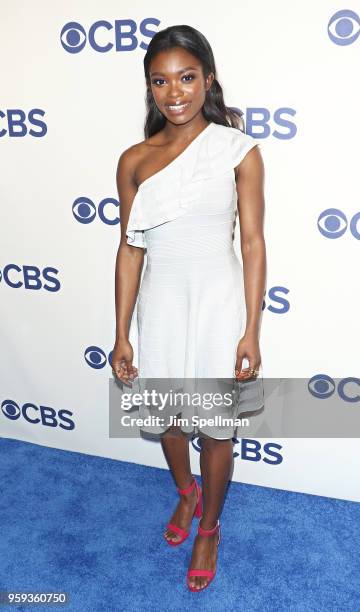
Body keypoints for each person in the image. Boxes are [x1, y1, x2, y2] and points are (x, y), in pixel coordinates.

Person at [112, 24, 266, 592]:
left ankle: (210, 526)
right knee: (170, 422)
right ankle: (185, 492)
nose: (174, 92)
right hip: (163, 304)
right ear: (149, 88)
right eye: (160, 81)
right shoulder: (135, 160)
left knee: (217, 430)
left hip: (219, 305)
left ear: (207, 80)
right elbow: (130, 250)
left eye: (186, 77)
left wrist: (251, 328)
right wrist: (122, 332)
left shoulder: (237, 150)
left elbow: (252, 243)